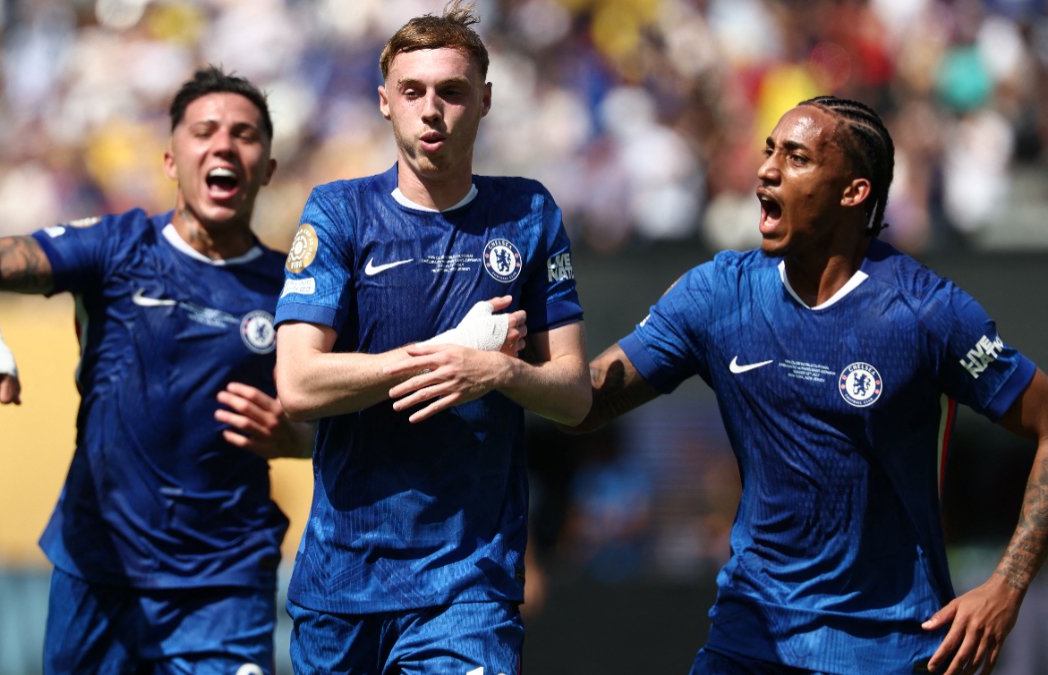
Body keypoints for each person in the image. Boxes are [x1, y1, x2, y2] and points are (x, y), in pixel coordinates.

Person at [568, 95, 1048, 674]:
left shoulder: (926, 312)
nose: (767, 169)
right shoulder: (719, 293)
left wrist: (1008, 585)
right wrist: (501, 367)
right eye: (769, 150)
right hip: (752, 636)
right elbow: (588, 399)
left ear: (853, 192)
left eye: (796, 157)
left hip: (890, 646)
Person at [0, 65, 309, 675]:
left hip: (224, 584)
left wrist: (298, 438)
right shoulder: (117, 248)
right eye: (205, 130)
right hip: (99, 568)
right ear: (170, 159)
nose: (223, 144)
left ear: (267, 168)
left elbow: (345, 423)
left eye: (244, 134)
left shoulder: (293, 291)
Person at [271, 2, 590, 672]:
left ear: (485, 100)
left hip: (467, 582)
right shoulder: (338, 211)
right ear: (385, 102)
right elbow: (298, 384)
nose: (431, 109)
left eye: (451, 91)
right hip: (342, 577)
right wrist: (448, 355)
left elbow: (573, 394)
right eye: (412, 92)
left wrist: (500, 374)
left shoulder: (529, 211)